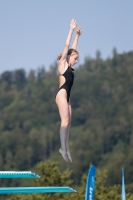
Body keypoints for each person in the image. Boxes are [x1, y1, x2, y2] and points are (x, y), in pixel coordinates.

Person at [55, 19, 82, 163]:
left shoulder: (70, 67)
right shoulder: (63, 64)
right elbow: (67, 46)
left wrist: (77, 36)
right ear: (69, 57)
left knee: (69, 122)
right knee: (64, 121)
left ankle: (66, 147)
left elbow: (73, 48)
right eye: (75, 59)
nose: (76, 61)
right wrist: (71, 30)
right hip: (61, 94)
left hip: (67, 96)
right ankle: (62, 148)